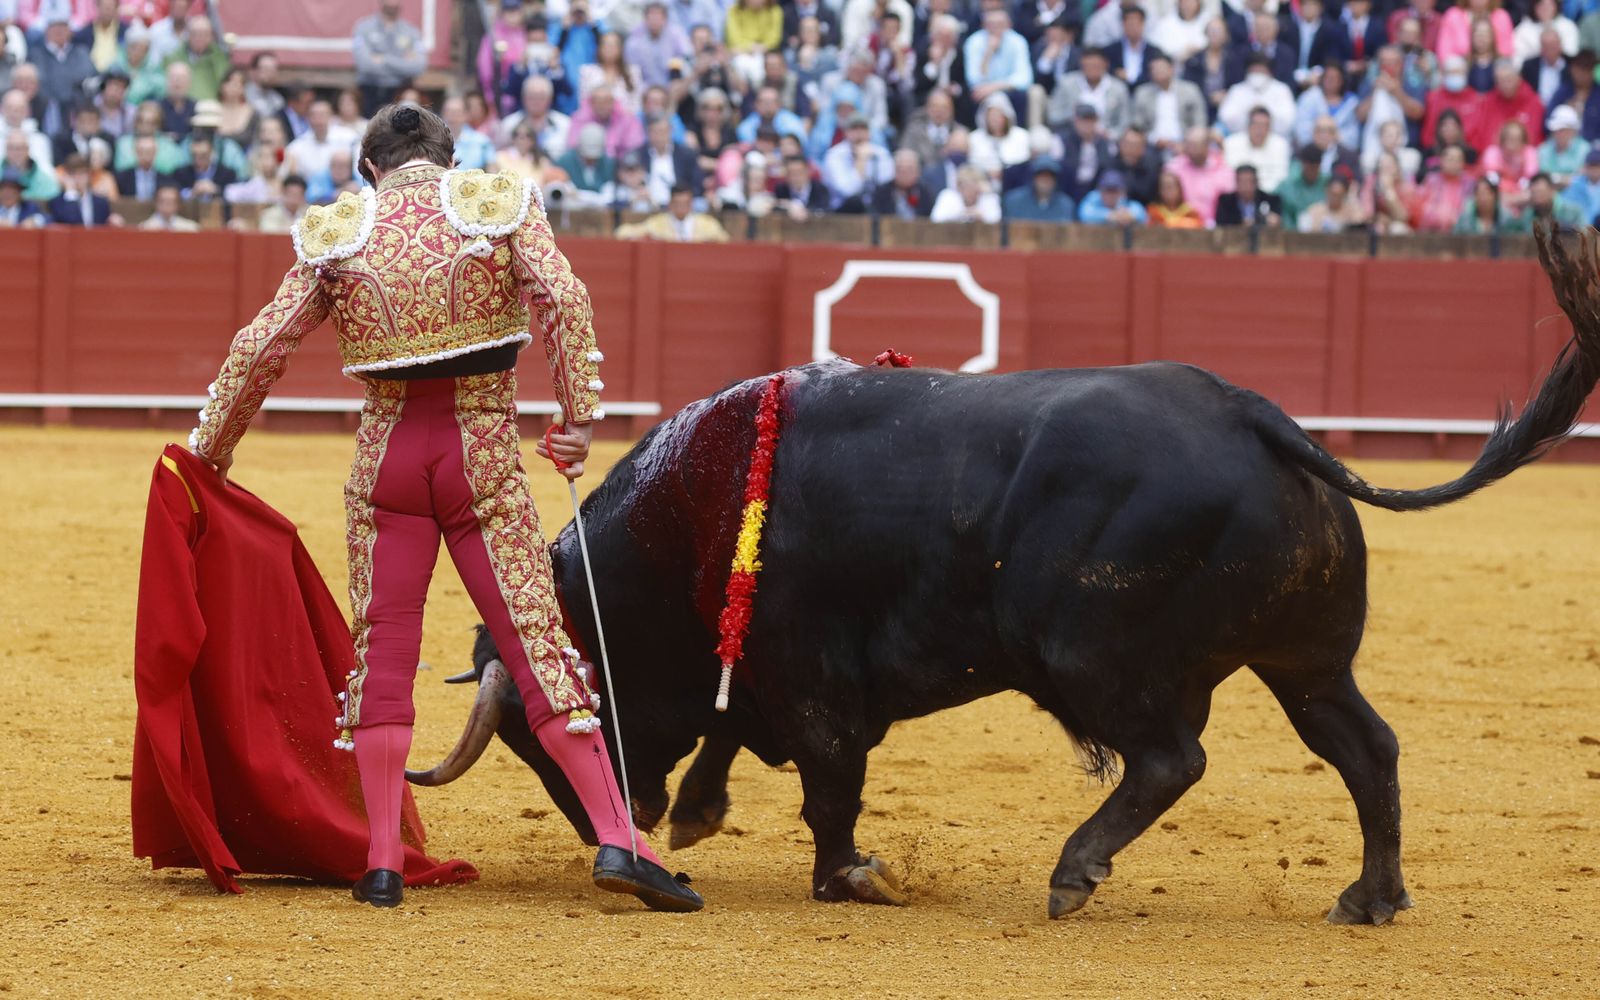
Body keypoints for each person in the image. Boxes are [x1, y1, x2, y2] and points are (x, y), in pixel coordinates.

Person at [186, 103, 705, 914]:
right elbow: (565, 303)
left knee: (384, 650)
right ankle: (618, 838)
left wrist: (208, 454)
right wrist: (574, 425)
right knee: (536, 643)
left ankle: (384, 863)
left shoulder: (340, 228)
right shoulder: (494, 202)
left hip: (386, 460)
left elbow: (260, 347)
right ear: (449, 157)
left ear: (369, 169)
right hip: (481, 457)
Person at [352, 0, 427, 116]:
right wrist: (402, 61)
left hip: (399, 92)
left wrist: (383, 59)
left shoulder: (411, 31)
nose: (392, 5)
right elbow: (365, 65)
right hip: (369, 92)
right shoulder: (363, 28)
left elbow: (418, 66)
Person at [1130, 53, 1206, 153]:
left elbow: (1199, 122)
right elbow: (1137, 125)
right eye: (1154, 69)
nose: (1158, 72)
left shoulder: (1190, 90)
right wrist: (1154, 139)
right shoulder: (1142, 93)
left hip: (1185, 143)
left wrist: (1186, 143)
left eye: (1161, 68)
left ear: (1172, 69)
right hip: (1152, 145)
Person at [821, 113, 893, 211]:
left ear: (869, 132)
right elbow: (848, 191)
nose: (859, 133)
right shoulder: (834, 155)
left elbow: (886, 187)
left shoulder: (881, 154)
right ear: (845, 132)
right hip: (841, 211)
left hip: (874, 209)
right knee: (855, 201)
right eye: (854, 129)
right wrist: (861, 161)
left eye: (863, 129)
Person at [1165, 124, 1234, 226]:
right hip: (1182, 226)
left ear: (1207, 146)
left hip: (1216, 226)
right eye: (1189, 144)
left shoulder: (1223, 169)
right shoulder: (1174, 168)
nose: (1191, 149)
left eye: (1195, 145)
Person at [1223, 104, 1291, 192]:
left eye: (1265, 126)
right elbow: (1229, 175)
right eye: (1257, 125)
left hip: (1270, 195)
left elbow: (1281, 177)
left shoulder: (1281, 145)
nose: (1260, 130)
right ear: (1248, 126)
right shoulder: (1231, 143)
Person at [1414, 142, 1476, 229]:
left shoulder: (1470, 183)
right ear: (1442, 161)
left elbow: (1472, 209)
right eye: (1450, 159)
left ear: (1463, 162)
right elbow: (1420, 206)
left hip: (1461, 228)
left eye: (1457, 160)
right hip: (1433, 228)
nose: (1454, 163)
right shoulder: (1431, 180)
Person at [47, 152, 117, 226]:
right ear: (66, 176)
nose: (78, 178)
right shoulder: (57, 203)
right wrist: (71, 193)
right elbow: (73, 223)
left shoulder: (101, 203)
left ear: (88, 175)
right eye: (73, 174)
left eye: (81, 174)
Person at [1002, 154, 1075, 220]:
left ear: (1055, 180)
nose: (1045, 180)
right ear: (1033, 178)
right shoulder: (1014, 201)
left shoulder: (1066, 205)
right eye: (1041, 175)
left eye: (1050, 176)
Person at [1277, 144, 1330, 229]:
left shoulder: (1328, 184)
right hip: (1291, 234)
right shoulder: (1288, 185)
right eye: (1308, 168)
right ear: (1302, 164)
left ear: (1319, 166)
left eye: (1315, 168)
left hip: (1323, 234)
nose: (1311, 172)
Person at [1214, 163, 1282, 226]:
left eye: (1250, 182)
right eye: (1243, 182)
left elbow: (1277, 221)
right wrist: (1242, 222)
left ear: (1257, 182)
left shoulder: (1271, 200)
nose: (1247, 187)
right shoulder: (1226, 201)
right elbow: (1221, 222)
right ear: (1236, 183)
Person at [929, 163, 1001, 222]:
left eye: (973, 188)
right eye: (965, 187)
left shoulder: (989, 197)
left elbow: (996, 220)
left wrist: (981, 217)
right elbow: (936, 219)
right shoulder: (948, 196)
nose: (969, 191)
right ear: (959, 187)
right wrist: (964, 214)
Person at [1539, 102, 1590, 184]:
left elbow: (1582, 179)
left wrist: (1556, 178)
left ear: (1573, 131)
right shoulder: (1544, 149)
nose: (1560, 134)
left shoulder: (1585, 150)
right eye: (1557, 130)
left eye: (1564, 130)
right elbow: (1543, 178)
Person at [1298, 171, 1367, 231]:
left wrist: (1353, 198)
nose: (1335, 198)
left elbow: (1361, 224)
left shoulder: (1352, 212)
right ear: (1326, 191)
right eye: (1332, 194)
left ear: (1345, 193)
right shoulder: (1314, 211)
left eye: (1339, 195)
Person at [1078, 169, 1148, 224]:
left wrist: (1130, 216)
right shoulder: (1094, 197)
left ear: (1122, 192)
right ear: (1100, 190)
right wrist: (1110, 215)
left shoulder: (1124, 202)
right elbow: (1085, 213)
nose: (1110, 195)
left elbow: (1141, 214)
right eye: (1107, 190)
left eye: (1114, 190)